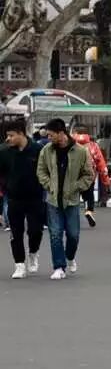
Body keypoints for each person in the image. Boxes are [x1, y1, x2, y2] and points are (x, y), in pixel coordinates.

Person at [36, 119, 94, 280]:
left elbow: (89, 174)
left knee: (73, 235)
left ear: (61, 133)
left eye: (51, 135)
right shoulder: (47, 151)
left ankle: (70, 257)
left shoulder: (80, 151)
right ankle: (58, 266)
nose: (48, 138)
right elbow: (41, 171)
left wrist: (77, 186)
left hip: (72, 200)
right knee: (55, 234)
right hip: (53, 199)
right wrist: (49, 185)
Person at [0, 118, 44, 278]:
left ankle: (33, 253)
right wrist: (5, 186)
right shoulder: (4, 152)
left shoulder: (38, 150)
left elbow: (45, 170)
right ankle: (19, 265)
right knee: (15, 233)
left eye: (11, 135)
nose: (8, 139)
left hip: (35, 198)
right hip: (13, 198)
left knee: (35, 231)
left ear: (21, 134)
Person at [72, 126, 109, 227]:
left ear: (75, 133)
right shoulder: (93, 145)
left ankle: (73, 217)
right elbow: (101, 163)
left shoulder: (71, 145)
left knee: (73, 196)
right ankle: (88, 211)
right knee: (89, 195)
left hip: (73, 176)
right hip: (89, 176)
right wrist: (105, 179)